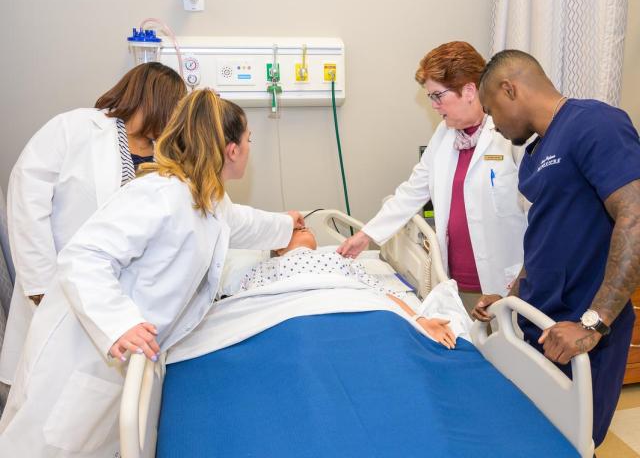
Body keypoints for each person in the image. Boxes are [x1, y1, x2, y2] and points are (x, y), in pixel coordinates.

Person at [0, 90, 304, 457]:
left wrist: (287, 225)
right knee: (48, 446)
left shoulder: (205, 197)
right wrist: (119, 323)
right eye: (249, 139)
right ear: (232, 150)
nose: (250, 147)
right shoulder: (159, 194)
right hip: (84, 354)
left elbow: (242, 223)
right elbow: (83, 256)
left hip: (128, 362)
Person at [474, 49, 640, 447]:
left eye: (491, 110)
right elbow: (547, 241)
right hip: (537, 321)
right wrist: (507, 301)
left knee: (569, 443)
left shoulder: (595, 124)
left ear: (509, 89)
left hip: (577, 329)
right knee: (530, 437)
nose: (494, 125)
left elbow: (634, 219)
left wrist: (593, 324)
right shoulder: (534, 154)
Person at [0, 62, 187, 386]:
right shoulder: (74, 129)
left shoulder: (165, 157)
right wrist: (42, 286)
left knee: (99, 407)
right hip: (57, 291)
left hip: (121, 307)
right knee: (43, 400)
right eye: (174, 108)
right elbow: (27, 197)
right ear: (155, 101)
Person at [337, 41, 527, 315]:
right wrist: (366, 235)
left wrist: (519, 281)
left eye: (438, 96)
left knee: (506, 352)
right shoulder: (445, 134)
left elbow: (537, 212)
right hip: (456, 279)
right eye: (431, 98)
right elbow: (412, 191)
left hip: (504, 282)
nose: (435, 106)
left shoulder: (509, 136)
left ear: (470, 90)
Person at [241, 227, 457, 348]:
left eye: (304, 226)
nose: (304, 226)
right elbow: (249, 305)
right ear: (277, 248)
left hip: (354, 314)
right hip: (298, 319)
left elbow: (380, 294)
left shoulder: (340, 260)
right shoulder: (267, 266)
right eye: (296, 229)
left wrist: (420, 320)